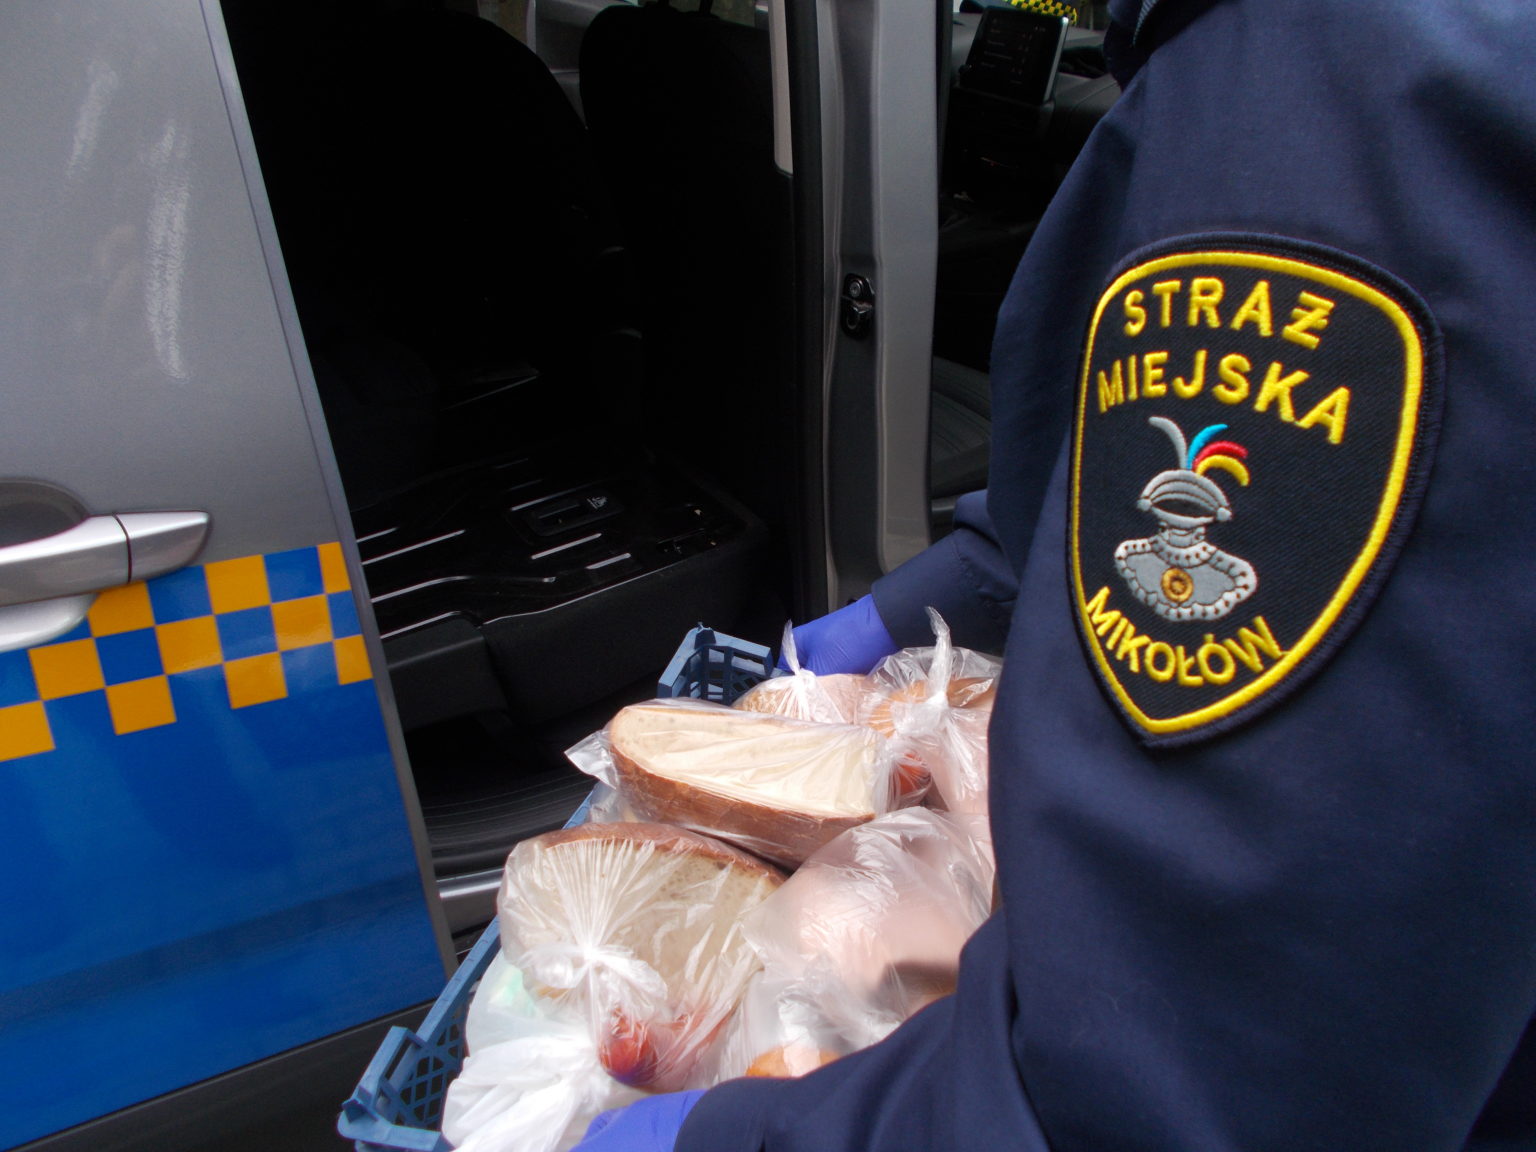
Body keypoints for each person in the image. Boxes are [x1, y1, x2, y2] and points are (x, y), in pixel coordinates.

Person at [574, 0, 1536, 1147]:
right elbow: (1100, 485)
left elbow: (1162, 1074)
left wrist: (727, 1136)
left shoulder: (1324, 77)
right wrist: (929, 597)